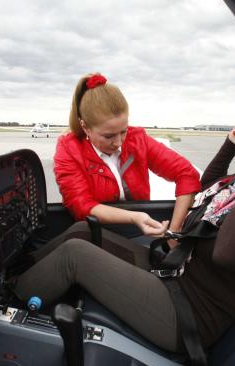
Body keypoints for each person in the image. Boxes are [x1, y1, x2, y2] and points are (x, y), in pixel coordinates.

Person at [14, 98, 235, 352]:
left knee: (76, 255)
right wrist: (230, 145)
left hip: (188, 314)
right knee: (83, 231)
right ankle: (18, 276)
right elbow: (207, 189)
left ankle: (5, 306)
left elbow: (231, 251)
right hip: (172, 274)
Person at [52, 73, 201, 244]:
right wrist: (134, 218)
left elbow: (186, 174)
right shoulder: (69, 149)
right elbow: (81, 205)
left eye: (123, 131)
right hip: (97, 233)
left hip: (139, 230)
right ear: (85, 126)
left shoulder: (137, 139)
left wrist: (174, 232)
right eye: (108, 136)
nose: (118, 142)